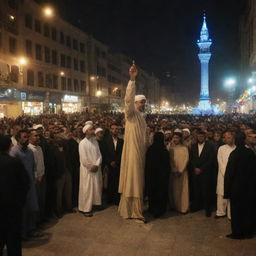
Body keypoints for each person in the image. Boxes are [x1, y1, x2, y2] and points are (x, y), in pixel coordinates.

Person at [118, 63, 148, 223]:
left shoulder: (143, 119)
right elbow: (128, 100)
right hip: (132, 155)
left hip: (140, 154)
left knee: (138, 182)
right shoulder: (131, 115)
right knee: (133, 181)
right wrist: (132, 79)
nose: (143, 104)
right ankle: (132, 211)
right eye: (140, 102)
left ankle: (136, 209)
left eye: (144, 102)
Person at [0, 135, 29, 256]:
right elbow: (25, 184)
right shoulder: (15, 162)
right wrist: (20, 203)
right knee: (13, 243)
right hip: (12, 208)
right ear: (9, 146)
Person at [224, 133, 256, 239]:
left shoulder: (234, 154)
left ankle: (237, 233)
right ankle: (248, 232)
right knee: (247, 210)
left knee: (236, 211)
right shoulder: (250, 153)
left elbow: (229, 174)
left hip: (236, 188)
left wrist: (227, 191)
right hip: (249, 187)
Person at [10, 129, 40, 240]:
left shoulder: (30, 151)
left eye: (27, 137)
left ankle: (31, 230)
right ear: (18, 138)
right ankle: (22, 233)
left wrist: (35, 177)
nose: (26, 139)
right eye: (24, 137)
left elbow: (33, 167)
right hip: (19, 186)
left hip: (30, 183)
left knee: (32, 208)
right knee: (22, 211)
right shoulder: (14, 152)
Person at [78, 123, 102, 217]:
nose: (93, 131)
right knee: (87, 189)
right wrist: (91, 167)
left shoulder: (95, 141)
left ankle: (95, 204)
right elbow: (83, 159)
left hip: (96, 169)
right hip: (87, 170)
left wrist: (96, 164)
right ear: (86, 131)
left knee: (96, 187)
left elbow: (99, 155)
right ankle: (85, 209)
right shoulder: (82, 143)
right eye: (91, 130)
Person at [190, 130, 215, 217]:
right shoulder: (193, 146)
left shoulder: (210, 146)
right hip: (195, 172)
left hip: (205, 172)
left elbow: (211, 160)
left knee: (206, 191)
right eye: (199, 136)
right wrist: (195, 168)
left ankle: (207, 208)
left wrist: (201, 169)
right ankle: (197, 206)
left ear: (205, 137)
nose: (200, 138)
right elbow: (191, 159)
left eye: (202, 136)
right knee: (196, 191)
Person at [145, 132, 170, 218]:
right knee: (161, 193)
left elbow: (147, 165)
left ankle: (152, 209)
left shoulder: (150, 150)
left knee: (152, 193)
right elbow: (167, 166)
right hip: (161, 178)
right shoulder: (164, 151)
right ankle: (160, 210)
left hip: (151, 177)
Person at [215, 131, 235, 219]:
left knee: (231, 195)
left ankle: (230, 214)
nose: (227, 139)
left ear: (233, 138)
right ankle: (220, 212)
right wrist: (226, 173)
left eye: (229, 137)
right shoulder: (221, 148)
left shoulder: (236, 148)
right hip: (223, 175)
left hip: (233, 175)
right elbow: (220, 162)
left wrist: (231, 174)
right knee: (221, 194)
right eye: (225, 137)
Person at [28, 129, 46, 223]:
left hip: (42, 177)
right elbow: (32, 165)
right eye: (35, 136)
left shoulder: (39, 148)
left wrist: (42, 174)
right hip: (35, 179)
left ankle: (41, 219)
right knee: (35, 202)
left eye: (38, 135)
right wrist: (36, 176)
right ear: (30, 137)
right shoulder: (29, 149)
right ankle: (35, 223)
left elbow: (41, 163)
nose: (38, 137)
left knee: (41, 200)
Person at [169, 132, 189, 214]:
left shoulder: (184, 148)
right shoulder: (171, 148)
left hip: (182, 172)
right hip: (174, 172)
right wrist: (174, 170)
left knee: (182, 190)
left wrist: (181, 170)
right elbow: (170, 160)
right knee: (174, 190)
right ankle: (173, 206)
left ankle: (182, 207)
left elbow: (186, 159)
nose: (175, 139)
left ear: (180, 138)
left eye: (177, 137)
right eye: (174, 137)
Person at [104, 124, 124, 205]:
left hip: (118, 164)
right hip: (109, 165)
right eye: (113, 129)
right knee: (109, 182)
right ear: (110, 130)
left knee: (117, 182)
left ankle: (116, 199)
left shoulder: (121, 141)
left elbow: (122, 153)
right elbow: (104, 153)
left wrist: (116, 161)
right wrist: (110, 161)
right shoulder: (106, 141)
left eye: (116, 129)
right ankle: (109, 199)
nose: (115, 130)